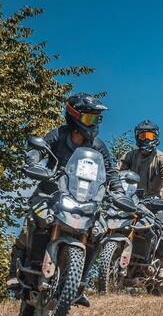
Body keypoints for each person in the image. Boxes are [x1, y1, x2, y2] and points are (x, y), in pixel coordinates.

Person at [7, 94, 123, 302]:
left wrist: (118, 191)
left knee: (99, 232)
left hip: (85, 197)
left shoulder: (98, 145)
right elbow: (38, 150)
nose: (94, 124)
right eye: (89, 118)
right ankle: (15, 271)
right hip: (51, 190)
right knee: (33, 219)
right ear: (74, 116)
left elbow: (110, 171)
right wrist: (33, 160)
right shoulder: (59, 135)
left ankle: (79, 284)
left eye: (97, 119)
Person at [118, 120, 163, 292]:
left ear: (156, 137)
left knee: (161, 229)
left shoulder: (162, 159)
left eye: (149, 136)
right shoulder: (130, 155)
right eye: (142, 136)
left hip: (157, 203)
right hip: (132, 200)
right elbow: (116, 173)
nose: (145, 139)